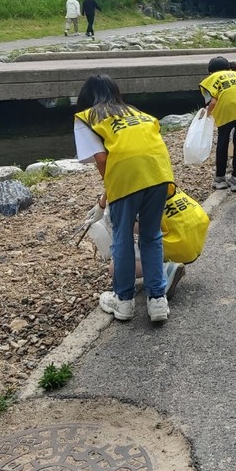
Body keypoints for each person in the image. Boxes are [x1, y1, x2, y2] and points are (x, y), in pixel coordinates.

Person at [74, 73, 173, 323]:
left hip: (127, 178)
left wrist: (109, 193)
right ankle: (157, 300)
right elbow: (138, 152)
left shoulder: (87, 117)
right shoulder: (136, 112)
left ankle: (124, 300)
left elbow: (102, 159)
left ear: (86, 97)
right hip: (159, 173)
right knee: (151, 235)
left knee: (123, 237)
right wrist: (103, 200)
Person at [200, 56, 236, 192]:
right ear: (228, 68)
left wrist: (206, 115)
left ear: (211, 71)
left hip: (227, 112)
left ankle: (220, 179)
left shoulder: (212, 78)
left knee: (223, 144)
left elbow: (213, 102)